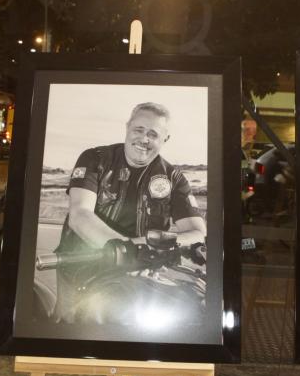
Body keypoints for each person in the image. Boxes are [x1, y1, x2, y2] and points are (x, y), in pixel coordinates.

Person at [53, 102, 207, 323]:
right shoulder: (95, 159)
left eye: (153, 134)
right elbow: (80, 215)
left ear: (165, 139)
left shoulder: (174, 178)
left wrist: (160, 245)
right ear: (127, 128)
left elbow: (197, 232)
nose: (144, 139)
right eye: (139, 130)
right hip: (81, 263)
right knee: (69, 326)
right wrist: (129, 249)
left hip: (137, 270)